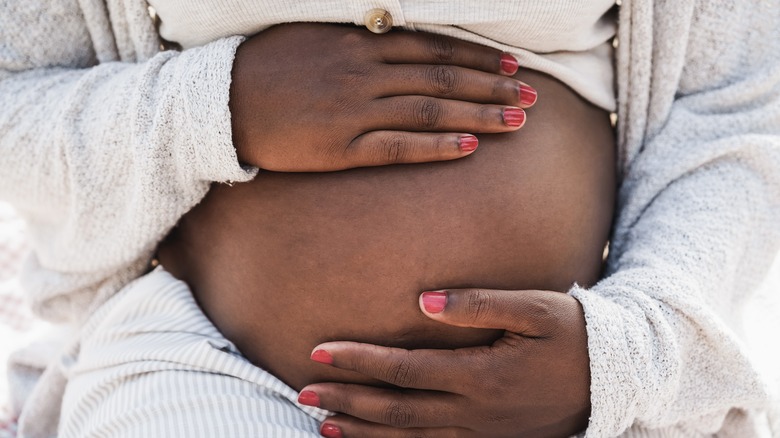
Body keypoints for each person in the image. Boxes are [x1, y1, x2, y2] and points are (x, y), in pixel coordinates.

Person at [0, 2, 778, 438]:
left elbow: (734, 108)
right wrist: (214, 104)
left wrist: (616, 361)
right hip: (202, 362)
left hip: (568, 401)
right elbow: (15, 102)